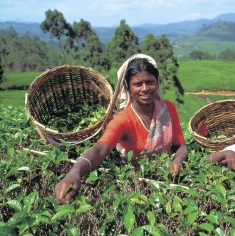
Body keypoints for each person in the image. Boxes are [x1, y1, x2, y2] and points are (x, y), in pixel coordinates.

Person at [55, 54, 188, 204]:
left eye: (150, 82)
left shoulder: (167, 108)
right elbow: (99, 149)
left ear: (157, 83)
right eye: (138, 84)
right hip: (137, 188)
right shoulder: (123, 119)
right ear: (128, 87)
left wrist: (178, 160)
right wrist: (75, 172)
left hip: (167, 181)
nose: (145, 89)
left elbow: (180, 145)